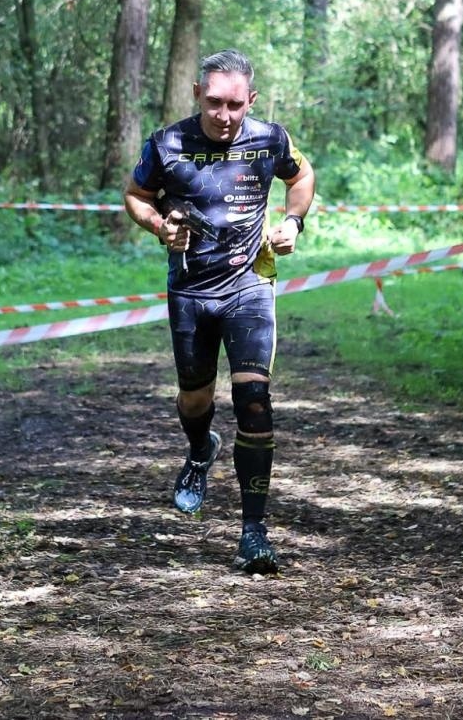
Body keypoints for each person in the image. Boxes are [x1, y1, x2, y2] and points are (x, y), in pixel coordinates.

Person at [123, 49, 315, 574]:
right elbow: (137, 195)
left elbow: (302, 177)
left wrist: (293, 222)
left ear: (250, 100)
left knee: (254, 400)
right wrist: (158, 226)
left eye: (234, 105)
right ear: (197, 95)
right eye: (213, 103)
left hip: (250, 285)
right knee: (195, 399)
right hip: (190, 290)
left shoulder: (271, 139)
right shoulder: (166, 144)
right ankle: (199, 449)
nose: (224, 116)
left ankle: (254, 532)